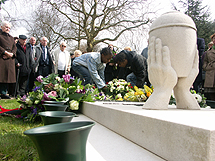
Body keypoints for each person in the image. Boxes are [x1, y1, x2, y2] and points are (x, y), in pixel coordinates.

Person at [0, 21, 17, 99]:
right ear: (2, 27)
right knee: (1, 76)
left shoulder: (11, 38)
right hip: (1, 58)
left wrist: (12, 54)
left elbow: (14, 47)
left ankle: (4, 93)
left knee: (7, 77)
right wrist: (4, 52)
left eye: (9, 28)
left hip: (9, 60)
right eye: (6, 27)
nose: (8, 29)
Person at [202, 33, 215, 100]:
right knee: (211, 94)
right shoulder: (208, 52)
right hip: (211, 74)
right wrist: (206, 67)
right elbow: (205, 62)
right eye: (214, 39)